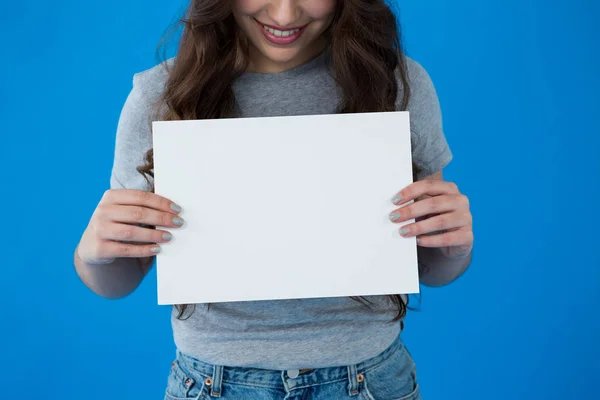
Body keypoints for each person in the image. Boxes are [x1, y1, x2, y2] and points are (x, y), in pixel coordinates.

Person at [74, 0, 474, 398]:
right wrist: (93, 254)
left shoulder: (396, 82)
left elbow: (430, 267)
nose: (284, 15)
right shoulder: (162, 95)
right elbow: (117, 281)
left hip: (369, 379)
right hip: (213, 383)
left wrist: (453, 248)